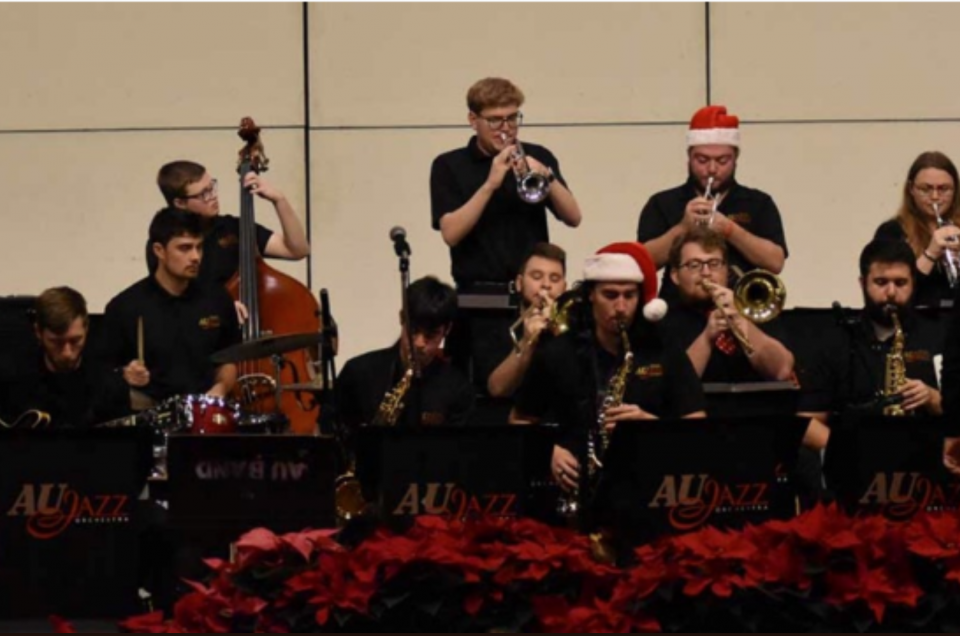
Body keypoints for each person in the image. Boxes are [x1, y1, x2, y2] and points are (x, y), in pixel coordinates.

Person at [511, 242, 706, 493]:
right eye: (610, 295)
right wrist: (548, 450)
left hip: (648, 484)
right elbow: (518, 420)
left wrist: (653, 429)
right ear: (591, 294)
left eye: (630, 295)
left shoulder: (664, 348)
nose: (622, 308)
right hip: (575, 487)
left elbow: (698, 427)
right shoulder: (559, 352)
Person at [430, 77, 582, 387]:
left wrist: (547, 176)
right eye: (495, 120)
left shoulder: (537, 155)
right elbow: (451, 233)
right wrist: (491, 183)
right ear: (473, 120)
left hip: (535, 299)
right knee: (482, 391)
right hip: (480, 303)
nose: (506, 128)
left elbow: (573, 216)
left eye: (513, 118)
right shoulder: (449, 165)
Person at [801, 239, 944, 449]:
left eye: (901, 282)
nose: (891, 292)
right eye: (881, 282)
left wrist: (932, 398)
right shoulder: (836, 340)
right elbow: (807, 421)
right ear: (863, 283)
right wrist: (846, 455)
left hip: (927, 465)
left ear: (913, 283)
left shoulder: (939, 336)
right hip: (854, 465)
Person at [637, 105, 788, 302]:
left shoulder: (759, 202)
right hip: (677, 313)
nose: (712, 169)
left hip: (743, 306)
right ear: (688, 159)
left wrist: (729, 229)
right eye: (702, 160)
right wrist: (682, 228)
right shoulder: (662, 202)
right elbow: (643, 265)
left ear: (736, 160)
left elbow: (775, 263)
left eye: (723, 160)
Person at [100, 207, 241, 404]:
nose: (195, 257)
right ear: (159, 251)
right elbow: (103, 372)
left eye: (199, 247)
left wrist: (221, 387)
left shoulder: (217, 299)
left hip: (206, 413)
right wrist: (125, 373)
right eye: (184, 248)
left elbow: (228, 360)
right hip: (151, 416)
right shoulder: (124, 307)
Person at [336, 276, 476, 460]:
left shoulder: (458, 389)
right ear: (402, 318)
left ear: (447, 330)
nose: (419, 343)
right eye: (414, 330)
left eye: (430, 335)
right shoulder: (358, 372)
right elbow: (332, 436)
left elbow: (458, 456)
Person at [661, 226, 795, 383]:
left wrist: (740, 319)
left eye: (714, 263)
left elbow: (782, 371)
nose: (706, 273)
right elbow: (671, 387)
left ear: (727, 270)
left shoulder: (754, 306)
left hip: (759, 404)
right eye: (694, 265)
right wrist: (707, 338)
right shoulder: (664, 320)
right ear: (675, 275)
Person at [149, 160, 310, 289]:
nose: (213, 196)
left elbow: (297, 250)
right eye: (204, 194)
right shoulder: (164, 242)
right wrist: (223, 306)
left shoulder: (234, 227)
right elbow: (175, 296)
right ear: (180, 203)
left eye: (212, 187)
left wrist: (278, 200)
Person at [0, 287, 130, 428]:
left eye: (75, 341)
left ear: (86, 328)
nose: (67, 353)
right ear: (38, 332)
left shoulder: (108, 384)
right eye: (56, 342)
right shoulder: (11, 377)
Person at [874, 151, 960, 308]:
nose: (935, 196)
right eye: (925, 189)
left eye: (944, 189)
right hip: (914, 324)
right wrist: (931, 253)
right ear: (911, 189)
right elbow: (890, 291)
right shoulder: (891, 232)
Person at [487, 242, 568, 398]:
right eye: (537, 276)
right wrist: (526, 342)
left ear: (564, 288)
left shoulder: (578, 328)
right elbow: (496, 389)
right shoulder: (498, 326)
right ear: (519, 283)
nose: (546, 285)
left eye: (554, 278)